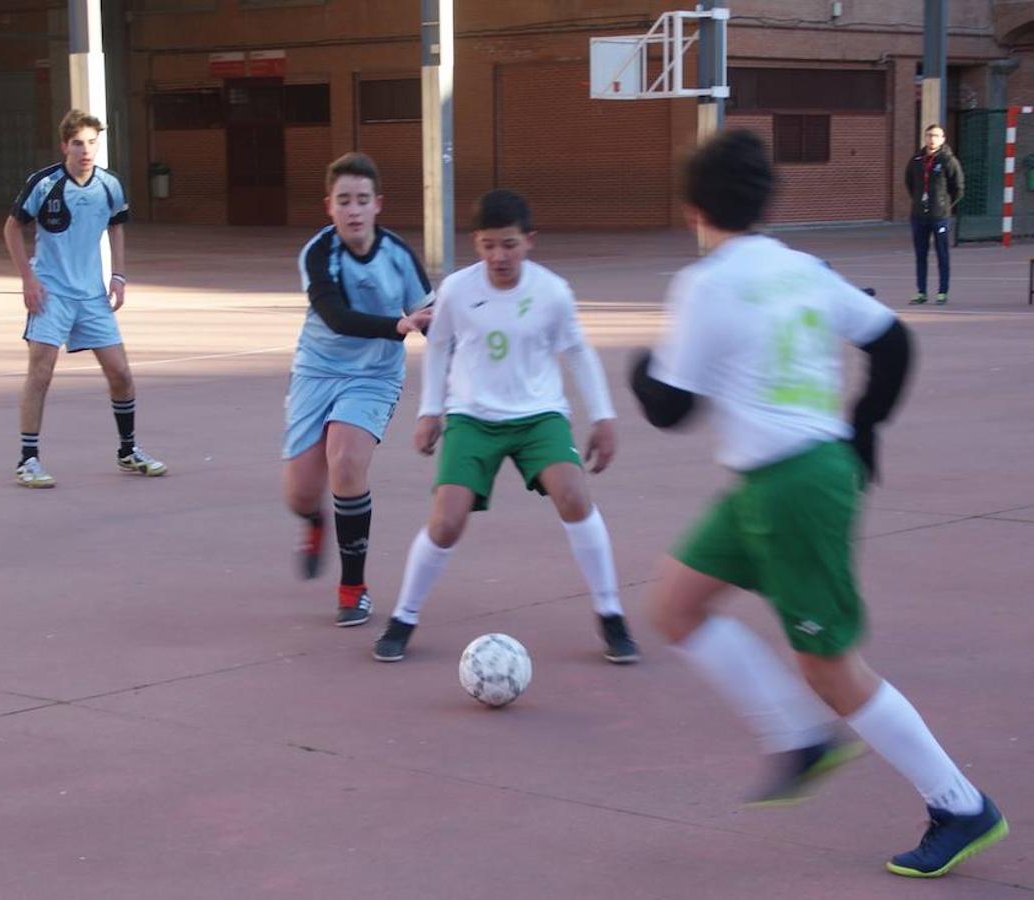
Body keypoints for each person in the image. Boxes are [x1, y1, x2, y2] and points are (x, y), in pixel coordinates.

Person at [630, 129, 1007, 878]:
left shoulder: (705, 284)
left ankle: (959, 803)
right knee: (675, 607)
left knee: (831, 668)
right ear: (765, 201)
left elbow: (670, 409)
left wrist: (643, 367)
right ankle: (798, 741)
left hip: (794, 486)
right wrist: (862, 430)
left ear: (692, 208)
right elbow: (892, 341)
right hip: (770, 483)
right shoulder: (801, 269)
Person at [372, 189, 639, 665]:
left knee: (574, 496)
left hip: (539, 416)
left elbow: (576, 352)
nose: (499, 256)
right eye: (489, 245)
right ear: (476, 242)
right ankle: (404, 618)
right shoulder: (456, 289)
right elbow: (439, 348)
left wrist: (603, 417)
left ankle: (611, 614)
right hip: (472, 416)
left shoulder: (551, 291)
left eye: (510, 245)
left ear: (529, 241)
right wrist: (429, 411)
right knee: (446, 520)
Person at [284, 152, 433, 627]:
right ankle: (314, 521)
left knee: (346, 460)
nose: (353, 210)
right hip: (317, 371)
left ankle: (353, 586)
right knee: (300, 495)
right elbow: (335, 316)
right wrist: (397, 324)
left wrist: (454, 385)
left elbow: (433, 322)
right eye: (344, 200)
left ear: (378, 205)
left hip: (373, 376)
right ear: (329, 206)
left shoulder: (398, 256)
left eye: (362, 200)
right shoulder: (318, 252)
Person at [3, 109, 167, 489]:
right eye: (78, 143)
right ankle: (28, 459)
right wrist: (27, 278)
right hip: (51, 292)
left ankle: (128, 451)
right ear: (65, 146)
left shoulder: (109, 185)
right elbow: (12, 228)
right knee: (40, 373)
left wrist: (119, 275)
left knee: (121, 375)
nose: (86, 150)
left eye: (92, 142)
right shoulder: (43, 184)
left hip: (92, 296)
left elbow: (117, 225)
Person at [905, 124, 964, 306]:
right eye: (929, 135)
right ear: (925, 137)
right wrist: (918, 201)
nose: (932, 139)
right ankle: (921, 292)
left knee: (942, 255)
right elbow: (909, 183)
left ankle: (942, 292)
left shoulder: (948, 160)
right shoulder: (916, 160)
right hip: (919, 217)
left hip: (940, 217)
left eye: (936, 136)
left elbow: (958, 188)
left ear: (943, 139)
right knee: (920, 255)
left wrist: (944, 206)